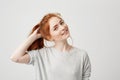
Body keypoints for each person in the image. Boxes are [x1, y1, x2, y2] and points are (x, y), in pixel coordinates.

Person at [10, 13, 91, 80]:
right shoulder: (40, 55)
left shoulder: (82, 55)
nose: (63, 27)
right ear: (49, 37)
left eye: (62, 23)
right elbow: (15, 58)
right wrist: (33, 36)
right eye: (56, 28)